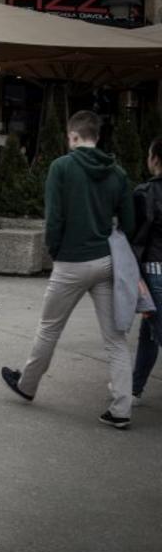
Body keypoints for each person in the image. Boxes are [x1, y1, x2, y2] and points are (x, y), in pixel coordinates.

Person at [1, 111, 136, 429]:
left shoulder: (61, 167)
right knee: (115, 338)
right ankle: (121, 408)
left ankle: (27, 385)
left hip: (70, 262)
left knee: (49, 328)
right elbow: (129, 222)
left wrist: (55, 250)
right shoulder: (117, 173)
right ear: (97, 137)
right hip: (105, 260)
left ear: (72, 136)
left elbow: (55, 217)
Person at [130, 137, 162, 407]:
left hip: (155, 268)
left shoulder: (146, 192)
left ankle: (134, 389)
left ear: (155, 159)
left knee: (156, 328)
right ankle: (135, 388)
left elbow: (135, 233)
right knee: (149, 331)